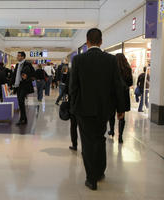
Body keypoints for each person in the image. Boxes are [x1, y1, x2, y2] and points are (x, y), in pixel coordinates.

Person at [69, 28, 125, 190]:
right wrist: (120, 109)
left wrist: (74, 107)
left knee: (87, 143)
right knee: (100, 139)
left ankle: (91, 178)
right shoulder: (110, 60)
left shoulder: (78, 60)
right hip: (104, 110)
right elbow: (117, 86)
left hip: (83, 109)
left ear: (87, 42)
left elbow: (73, 87)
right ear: (101, 41)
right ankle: (100, 172)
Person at [108, 53, 133, 143]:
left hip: (113, 94)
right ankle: (120, 137)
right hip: (124, 95)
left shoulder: (112, 69)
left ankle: (112, 131)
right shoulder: (128, 69)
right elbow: (130, 83)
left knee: (111, 114)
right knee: (121, 115)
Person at [11, 51, 35, 125]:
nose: (17, 57)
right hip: (18, 86)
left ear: (23, 57)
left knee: (21, 101)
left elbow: (33, 74)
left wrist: (27, 77)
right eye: (17, 56)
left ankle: (22, 119)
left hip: (24, 85)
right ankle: (24, 119)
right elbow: (14, 75)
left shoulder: (27, 64)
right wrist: (11, 85)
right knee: (20, 102)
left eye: (19, 56)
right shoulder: (17, 65)